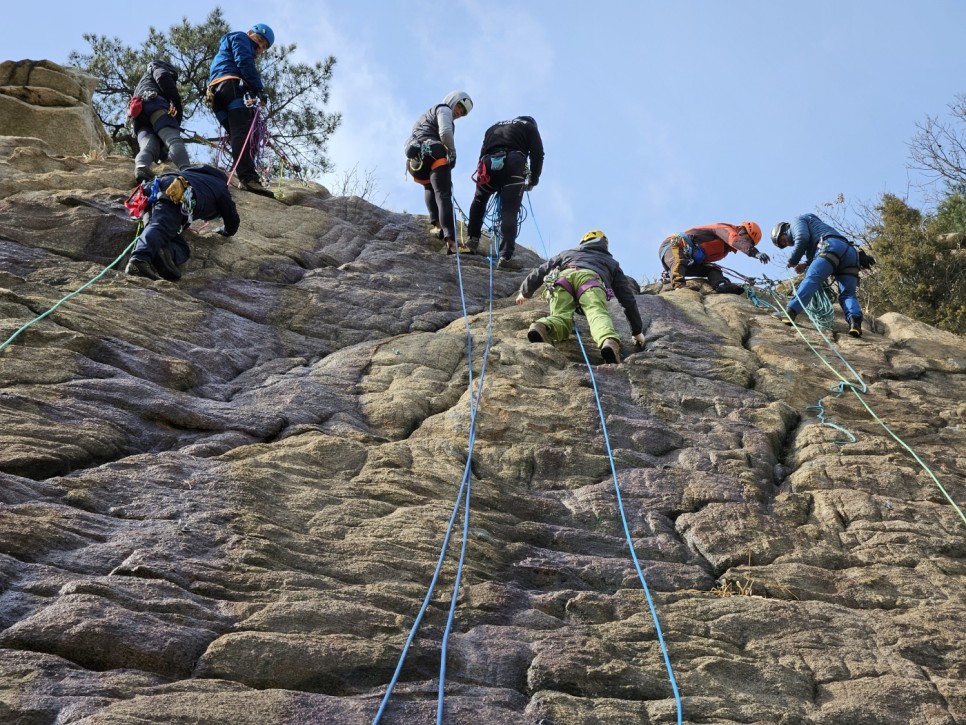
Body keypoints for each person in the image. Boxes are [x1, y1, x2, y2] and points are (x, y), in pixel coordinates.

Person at [515, 230, 644, 364]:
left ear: (583, 242)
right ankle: (608, 341)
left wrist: (525, 292)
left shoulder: (567, 253)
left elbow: (541, 270)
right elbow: (627, 298)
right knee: (596, 313)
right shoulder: (611, 262)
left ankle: (542, 326)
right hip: (591, 281)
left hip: (562, 280)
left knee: (561, 316)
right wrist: (636, 331)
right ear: (605, 245)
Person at [124, 164, 240, 281]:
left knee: (179, 245)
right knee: (161, 226)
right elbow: (231, 216)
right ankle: (139, 260)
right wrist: (225, 230)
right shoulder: (220, 185)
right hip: (177, 191)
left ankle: (164, 252)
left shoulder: (190, 173)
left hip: (150, 189)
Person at [466, 116, 544, 269]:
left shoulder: (492, 127)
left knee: (480, 199)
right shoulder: (529, 127)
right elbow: (538, 154)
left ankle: (473, 238)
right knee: (509, 210)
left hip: (489, 163)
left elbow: (482, 154)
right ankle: (505, 256)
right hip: (514, 164)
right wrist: (533, 180)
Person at [207, 23, 276, 198]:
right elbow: (244, 61)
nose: (259, 46)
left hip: (217, 95)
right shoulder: (240, 38)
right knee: (243, 134)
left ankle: (242, 173)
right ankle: (248, 178)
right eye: (259, 40)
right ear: (250, 33)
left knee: (238, 134)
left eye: (264, 46)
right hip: (231, 86)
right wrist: (258, 88)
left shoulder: (225, 52)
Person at [771, 214, 865, 337]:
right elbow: (816, 256)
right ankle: (855, 324)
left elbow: (802, 237)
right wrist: (805, 264)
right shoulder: (817, 227)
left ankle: (790, 312)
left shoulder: (797, 221)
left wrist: (793, 260)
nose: (788, 243)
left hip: (830, 246)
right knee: (848, 293)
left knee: (812, 279)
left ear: (784, 229)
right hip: (850, 253)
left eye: (783, 240)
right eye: (785, 244)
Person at [404, 91, 473, 254]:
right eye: (459, 107)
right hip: (434, 152)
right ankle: (452, 243)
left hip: (415, 162)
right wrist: (452, 152)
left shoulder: (424, 117)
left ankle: (436, 226)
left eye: (462, 113)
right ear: (452, 100)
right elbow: (445, 132)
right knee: (443, 194)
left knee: (429, 187)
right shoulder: (444, 109)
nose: (458, 113)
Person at [659, 221, 768, 292]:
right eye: (746, 239)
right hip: (673, 245)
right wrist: (754, 252)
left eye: (748, 242)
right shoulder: (725, 229)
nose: (745, 242)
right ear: (742, 230)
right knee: (679, 260)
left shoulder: (724, 250)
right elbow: (735, 239)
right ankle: (679, 285)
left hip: (688, 260)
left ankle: (720, 285)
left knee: (713, 268)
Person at [130, 59, 190, 182]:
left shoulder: (142, 82)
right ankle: (188, 171)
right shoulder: (158, 68)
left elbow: (159, 143)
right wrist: (177, 105)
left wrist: (164, 157)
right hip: (154, 103)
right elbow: (163, 77)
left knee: (149, 146)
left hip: (138, 116)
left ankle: (141, 167)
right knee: (173, 139)